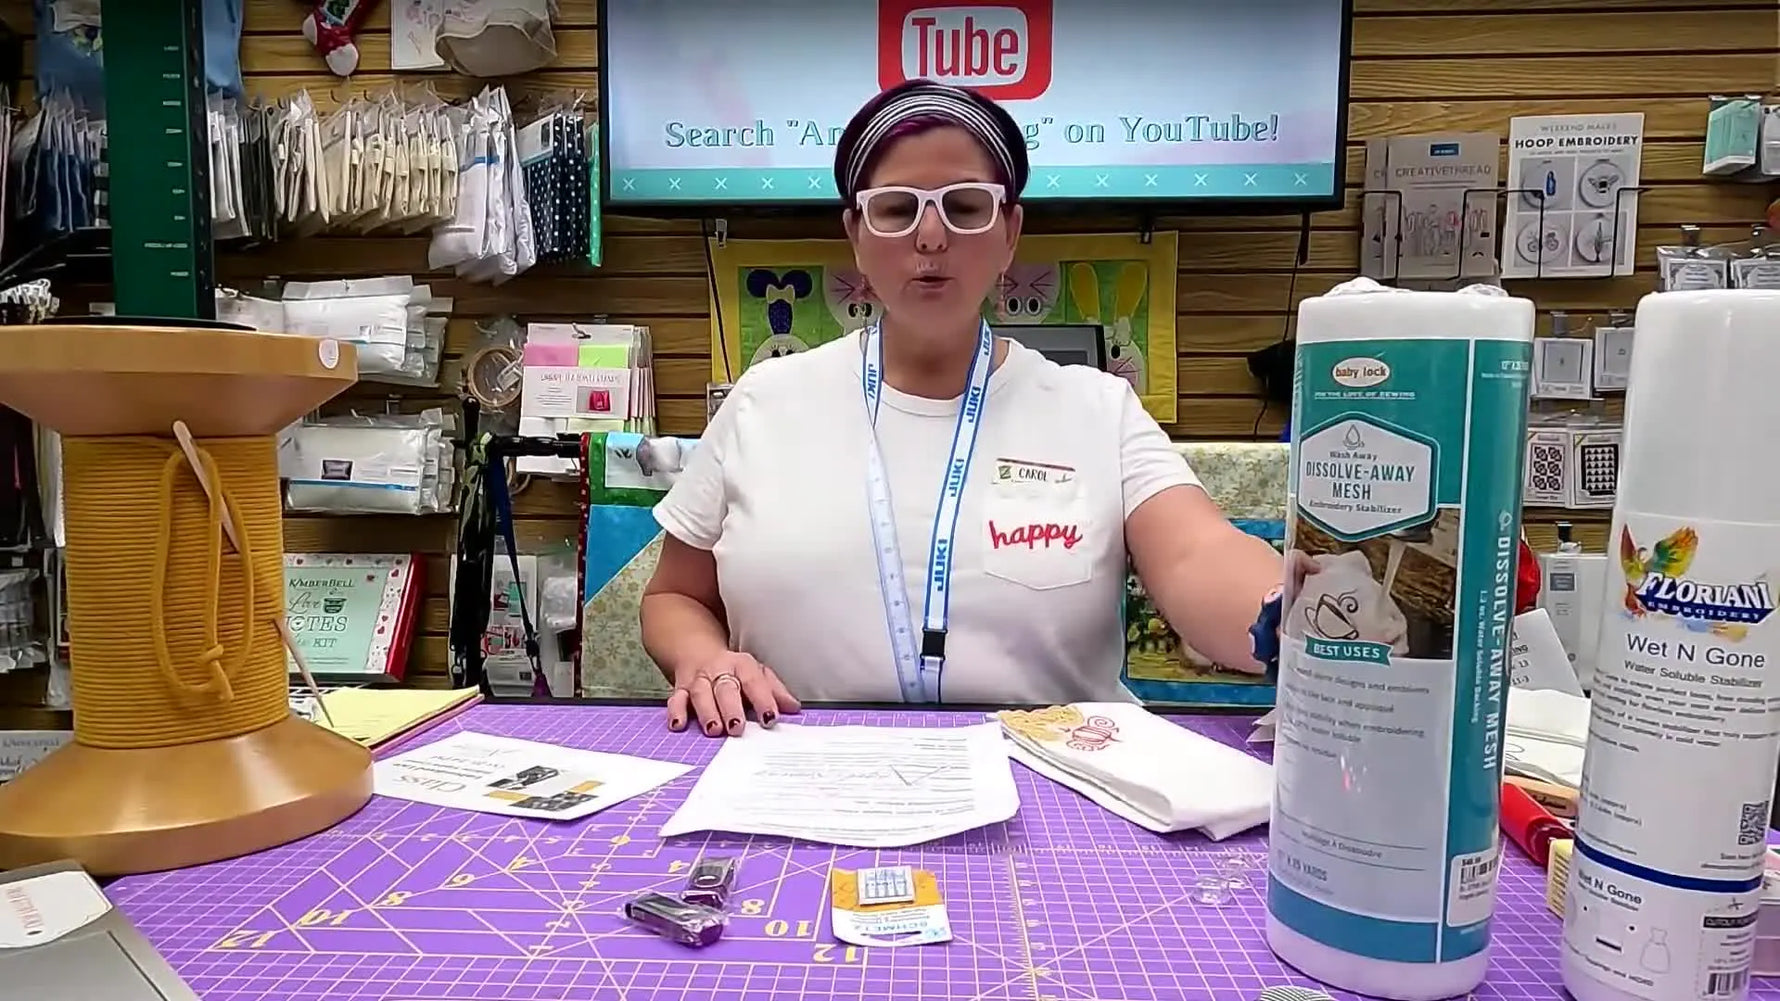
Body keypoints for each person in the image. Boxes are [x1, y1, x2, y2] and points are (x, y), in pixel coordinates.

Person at [640, 79, 1286, 737]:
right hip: (802, 771)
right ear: (856, 236)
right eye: (896, 209)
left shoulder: (1097, 410)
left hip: (1060, 785)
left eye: (965, 207)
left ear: (1009, 232)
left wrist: (1297, 619)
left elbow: (1195, 553)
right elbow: (675, 595)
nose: (930, 237)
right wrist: (703, 655)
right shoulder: (763, 403)